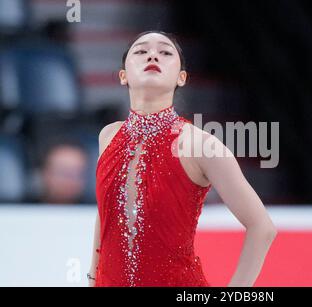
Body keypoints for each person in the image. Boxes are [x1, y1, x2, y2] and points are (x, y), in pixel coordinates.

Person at [89, 30, 277, 287]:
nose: (153, 54)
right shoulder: (108, 136)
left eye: (165, 52)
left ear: (182, 77)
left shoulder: (200, 144)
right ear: (123, 76)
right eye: (141, 51)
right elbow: (105, 215)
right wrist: (91, 277)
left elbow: (262, 227)